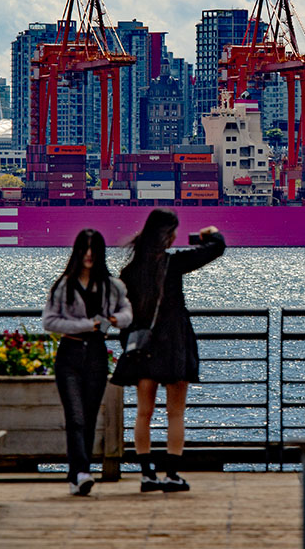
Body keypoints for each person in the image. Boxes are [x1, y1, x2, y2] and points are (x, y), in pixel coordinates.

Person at [113, 208, 224, 493]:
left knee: (143, 413)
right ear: (169, 235)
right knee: (175, 414)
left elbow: (123, 313)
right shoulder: (174, 264)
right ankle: (172, 474)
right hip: (174, 345)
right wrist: (209, 234)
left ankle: (147, 475)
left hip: (144, 348)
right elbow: (217, 247)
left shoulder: (130, 270)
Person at [42, 228, 133, 497]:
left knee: (91, 417)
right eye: (85, 248)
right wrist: (86, 324)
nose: (90, 254)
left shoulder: (111, 286)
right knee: (76, 417)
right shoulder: (64, 285)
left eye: (94, 249)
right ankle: (82, 472)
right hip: (69, 353)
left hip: (96, 354)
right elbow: (49, 321)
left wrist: (115, 320)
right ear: (77, 251)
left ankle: (77, 475)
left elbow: (127, 312)